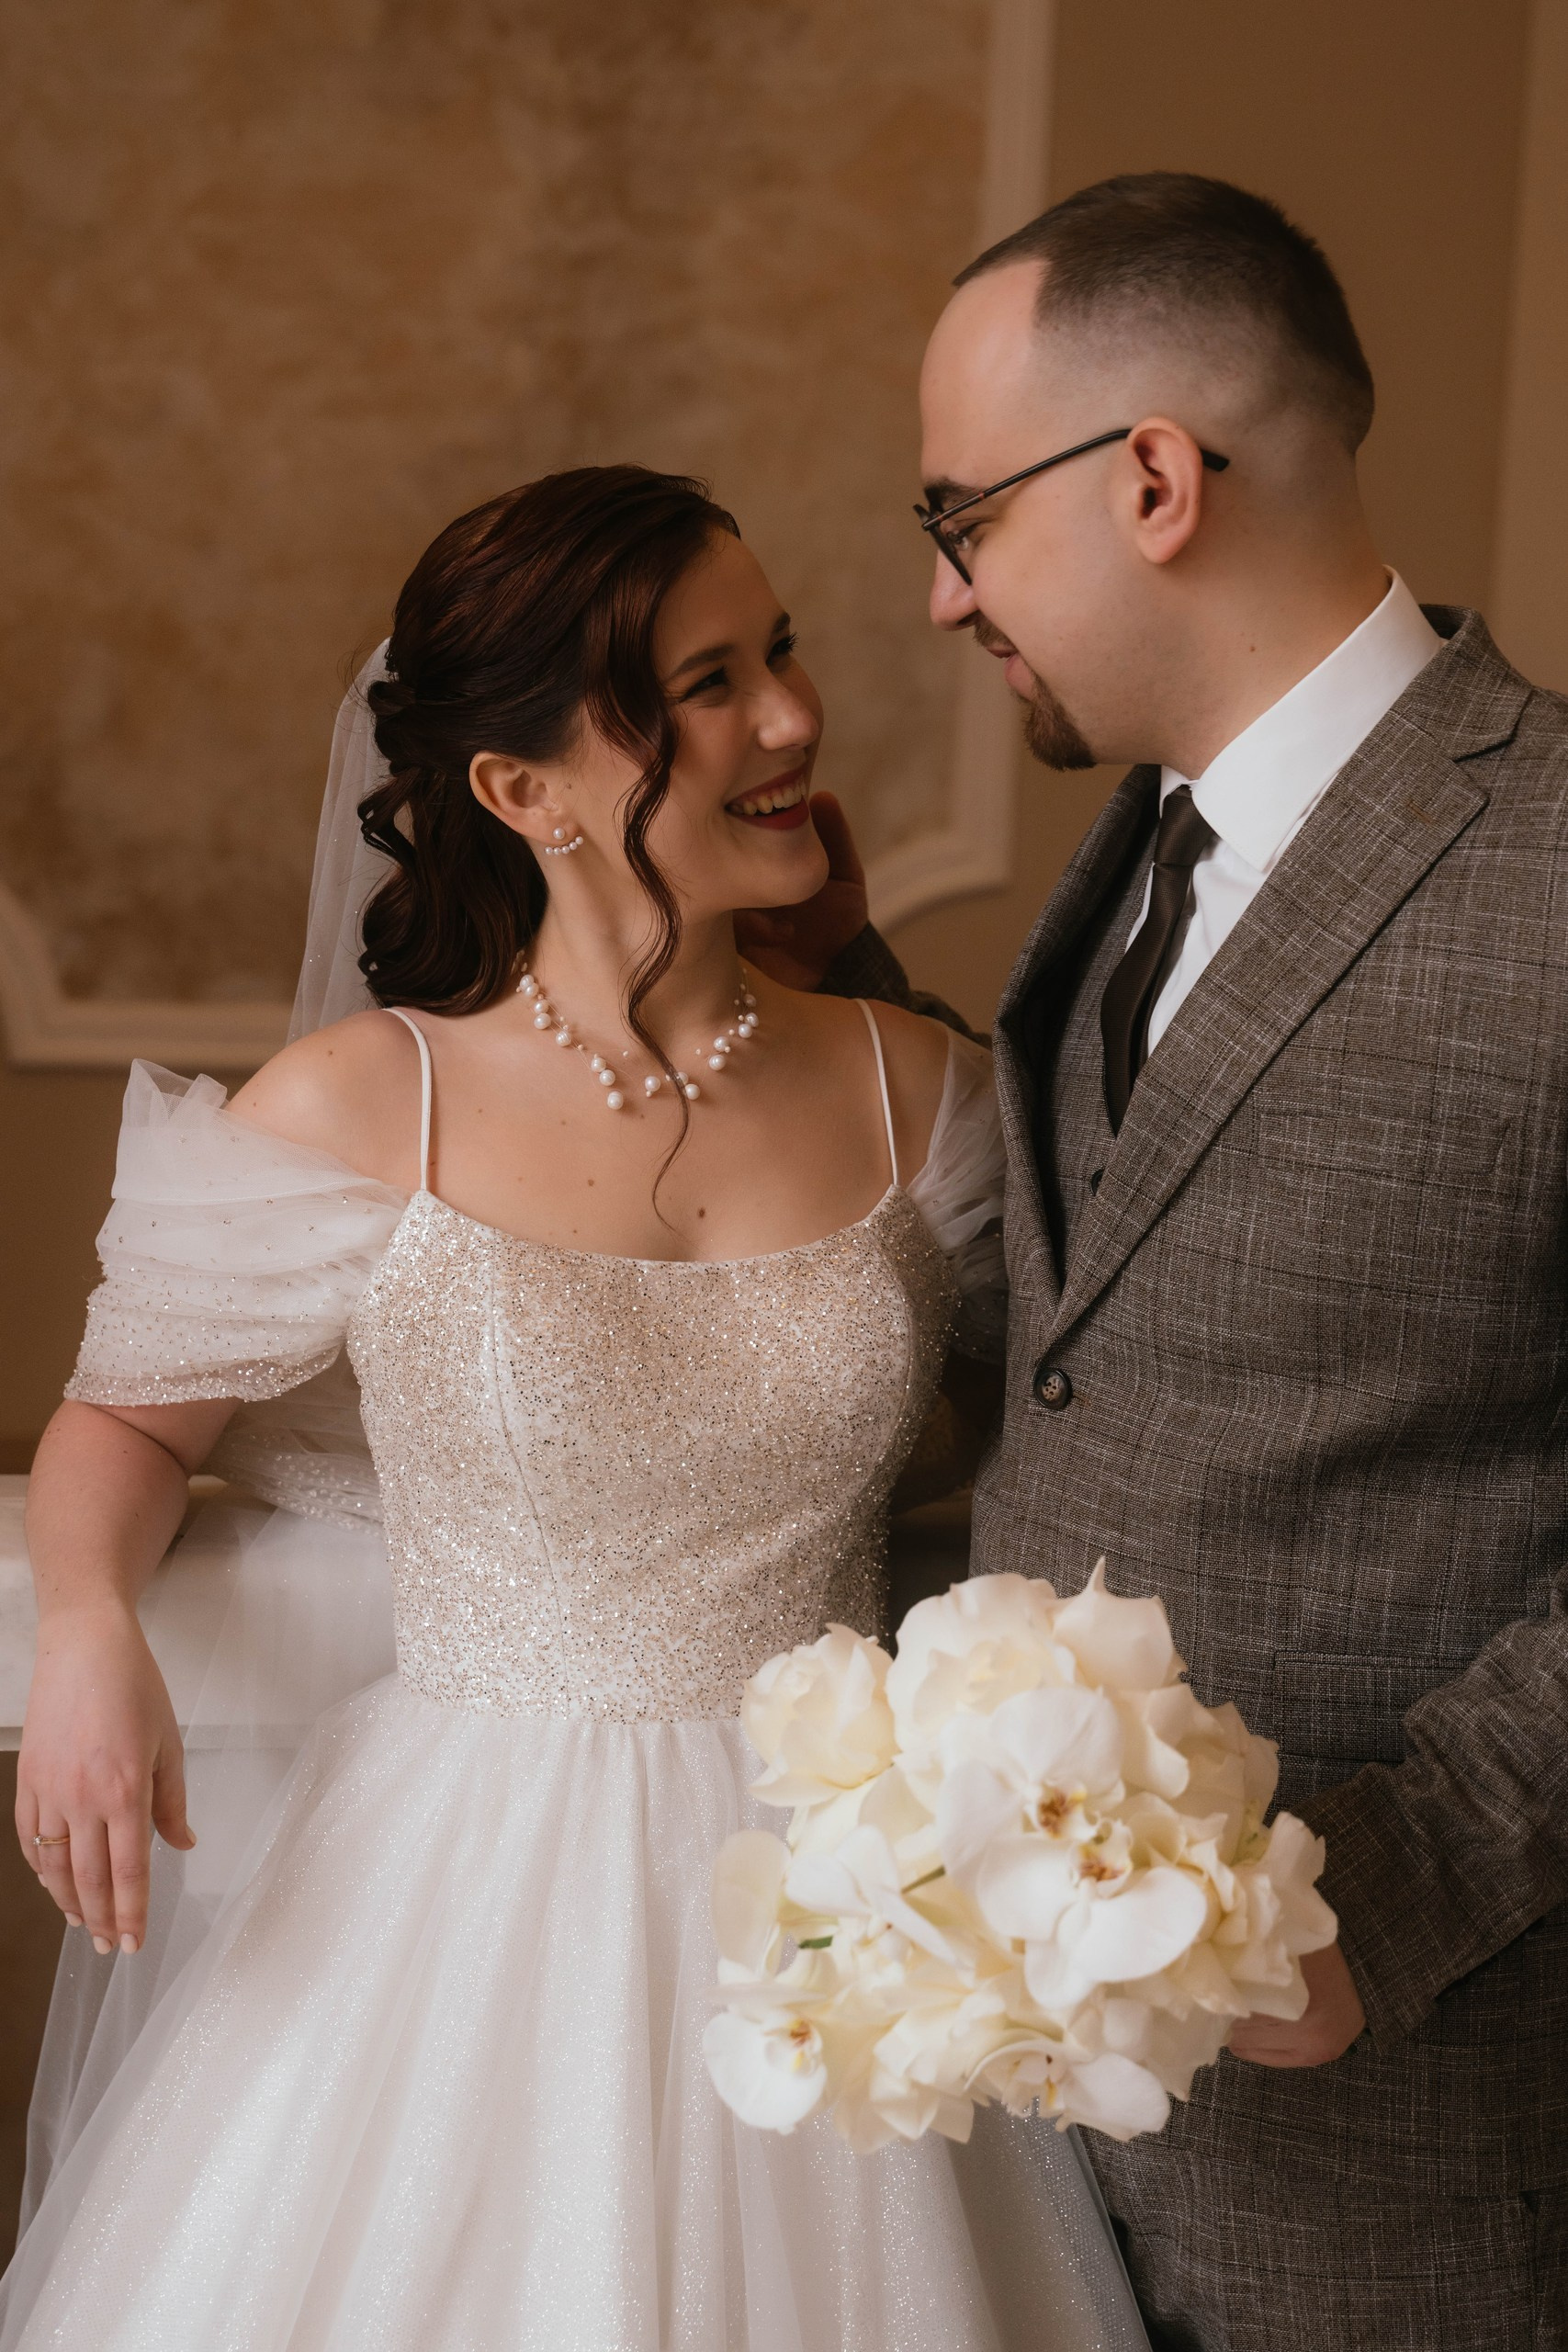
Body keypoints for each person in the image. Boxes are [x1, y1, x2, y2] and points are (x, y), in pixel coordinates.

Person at [1, 465, 1149, 2350]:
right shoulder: (361, 1104)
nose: (788, 718)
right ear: (521, 790)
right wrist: (83, 1633)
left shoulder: (922, 1096)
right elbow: (122, 1425)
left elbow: (1063, 1417)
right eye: (704, 686)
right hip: (459, 1890)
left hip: (845, 1891)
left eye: (776, 653)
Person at [784, 172, 1568, 2350]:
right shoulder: (1135, 848)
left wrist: (1380, 1900)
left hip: (1407, 2153)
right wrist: (821, 1004)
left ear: (1149, 479)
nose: (940, 594)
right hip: (1038, 2159)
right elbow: (1118, 1293)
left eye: (959, 517)